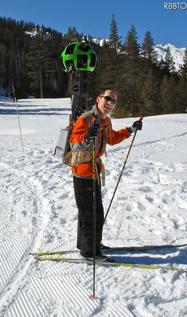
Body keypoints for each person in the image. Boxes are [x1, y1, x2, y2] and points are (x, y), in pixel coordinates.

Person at [70, 89, 142, 260]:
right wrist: (87, 137)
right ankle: (90, 252)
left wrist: (131, 129)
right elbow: (74, 143)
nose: (110, 104)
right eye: (108, 99)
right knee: (92, 213)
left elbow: (112, 138)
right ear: (98, 99)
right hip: (83, 171)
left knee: (89, 210)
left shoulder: (105, 120)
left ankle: (87, 243)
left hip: (93, 169)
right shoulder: (86, 119)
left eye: (114, 101)